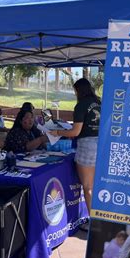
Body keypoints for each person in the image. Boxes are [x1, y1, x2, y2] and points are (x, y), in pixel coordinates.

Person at [50, 78, 101, 213]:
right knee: (96, 187)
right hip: (102, 145)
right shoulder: (99, 102)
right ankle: (98, 219)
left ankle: (93, 222)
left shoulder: (81, 105)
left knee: (88, 187)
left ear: (79, 90)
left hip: (87, 147)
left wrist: (57, 132)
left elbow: (75, 131)